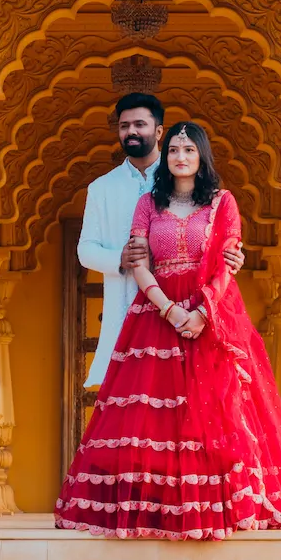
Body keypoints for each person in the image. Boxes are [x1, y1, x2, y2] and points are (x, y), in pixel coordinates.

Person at [57, 121, 281, 539]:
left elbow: (228, 263)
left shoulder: (221, 202)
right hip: (155, 314)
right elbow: (139, 260)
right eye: (174, 149)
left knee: (209, 414)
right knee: (152, 419)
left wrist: (201, 312)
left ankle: (213, 509)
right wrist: (168, 310)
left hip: (209, 314)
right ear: (166, 154)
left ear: (201, 156)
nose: (180, 157)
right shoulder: (148, 203)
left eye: (188, 150)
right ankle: (155, 511)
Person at [75, 93, 242, 392]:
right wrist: (120, 258)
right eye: (124, 126)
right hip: (128, 308)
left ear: (159, 131)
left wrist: (231, 257)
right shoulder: (102, 188)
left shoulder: (182, 178)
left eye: (140, 124)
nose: (132, 132)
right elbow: (85, 250)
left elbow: (218, 235)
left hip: (191, 309)